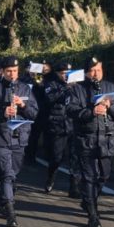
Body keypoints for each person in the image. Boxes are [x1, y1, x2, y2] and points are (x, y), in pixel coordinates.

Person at [67, 56, 114, 227]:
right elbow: (71, 110)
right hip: (86, 138)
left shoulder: (111, 88)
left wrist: (110, 106)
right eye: (92, 71)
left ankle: (88, 199)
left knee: (104, 175)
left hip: (106, 138)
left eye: (98, 70)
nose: (95, 74)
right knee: (89, 176)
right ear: (86, 73)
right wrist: (91, 111)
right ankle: (93, 215)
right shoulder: (77, 89)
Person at [0, 56, 38, 227]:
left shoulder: (25, 88)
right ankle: (10, 210)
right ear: (2, 71)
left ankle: (4, 200)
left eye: (15, 71)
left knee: (12, 174)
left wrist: (23, 106)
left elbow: (34, 113)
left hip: (20, 137)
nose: (12, 74)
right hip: (1, 136)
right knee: (6, 174)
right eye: (9, 71)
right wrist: (2, 113)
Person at [42, 61, 81, 198]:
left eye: (68, 74)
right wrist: (66, 88)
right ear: (58, 73)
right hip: (58, 124)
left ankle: (74, 186)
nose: (66, 76)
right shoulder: (51, 84)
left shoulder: (77, 86)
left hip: (73, 124)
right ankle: (51, 177)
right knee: (56, 157)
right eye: (63, 74)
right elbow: (51, 98)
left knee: (75, 156)